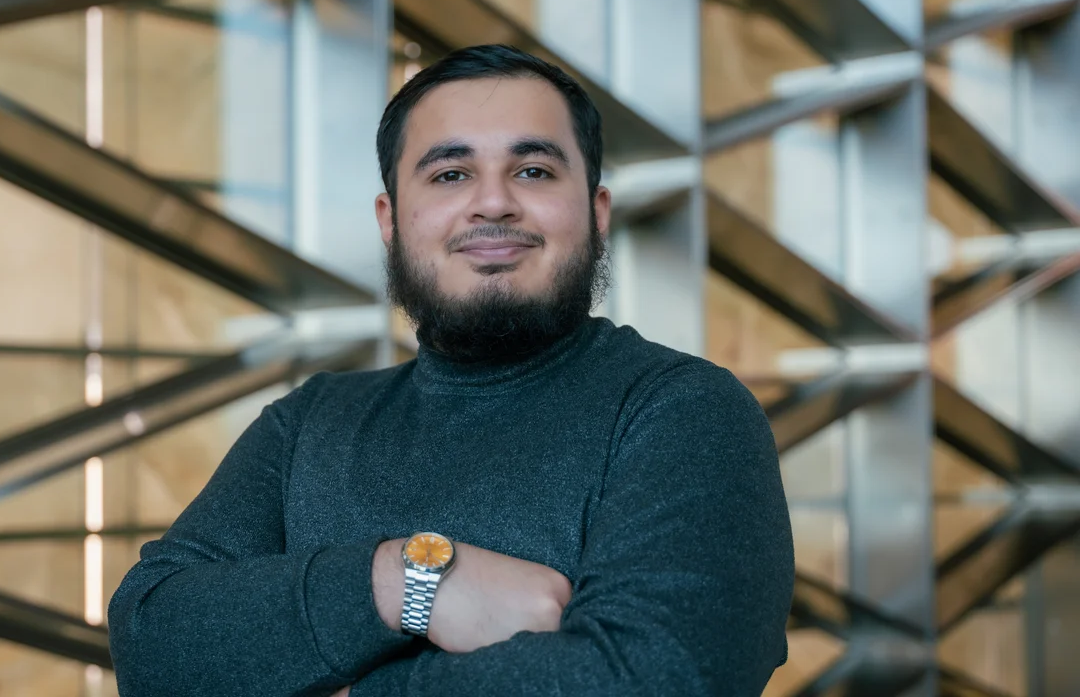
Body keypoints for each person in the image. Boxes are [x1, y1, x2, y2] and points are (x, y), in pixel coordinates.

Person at [108, 43, 795, 696]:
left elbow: (655, 678)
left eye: (534, 171)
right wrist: (404, 580)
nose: (493, 203)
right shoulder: (307, 423)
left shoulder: (685, 413)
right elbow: (151, 642)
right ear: (391, 221)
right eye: (450, 174)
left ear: (596, 211)